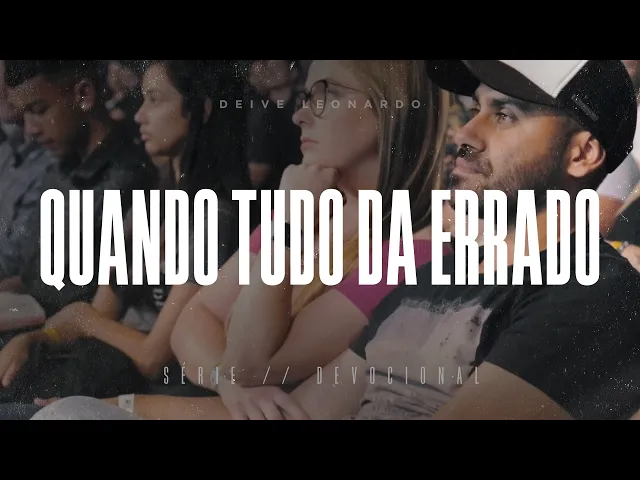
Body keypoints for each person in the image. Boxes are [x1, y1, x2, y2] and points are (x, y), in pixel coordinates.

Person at [37, 59, 640, 421]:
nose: (469, 134)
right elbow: (287, 404)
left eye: (504, 115)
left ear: (583, 154)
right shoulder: (437, 274)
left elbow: (251, 371)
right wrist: (114, 410)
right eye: (475, 108)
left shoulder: (593, 294)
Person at [32, 59, 452, 420]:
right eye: (307, 96)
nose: (300, 116)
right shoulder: (309, 203)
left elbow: (254, 365)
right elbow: (192, 322)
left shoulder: (418, 248)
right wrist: (224, 379)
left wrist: (128, 403)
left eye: (328, 96)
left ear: (392, 108)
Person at [0, 60, 247, 416]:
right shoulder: (153, 205)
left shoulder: (215, 217)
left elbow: (153, 357)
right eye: (142, 100)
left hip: (161, 397)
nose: (139, 116)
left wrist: (83, 320)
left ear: (202, 109)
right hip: (106, 377)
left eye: (155, 100)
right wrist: (37, 338)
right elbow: (99, 311)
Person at [0, 60, 157, 315]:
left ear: (83, 95)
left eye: (39, 110)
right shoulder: (59, 169)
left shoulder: (129, 178)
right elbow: (35, 275)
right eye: (23, 115)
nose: (30, 130)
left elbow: (87, 297)